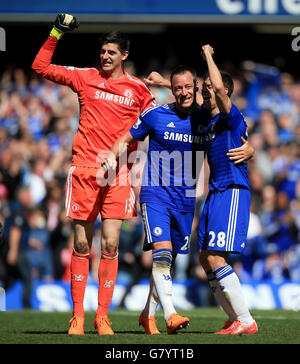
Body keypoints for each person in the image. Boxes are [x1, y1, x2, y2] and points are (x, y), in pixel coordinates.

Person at [102, 65, 254, 334]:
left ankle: (148, 315)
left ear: (195, 89)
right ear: (172, 91)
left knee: (169, 259)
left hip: (185, 199)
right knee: (162, 256)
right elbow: (125, 139)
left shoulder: (204, 119)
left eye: (189, 87)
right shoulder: (155, 115)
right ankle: (171, 315)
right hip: (155, 193)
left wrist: (250, 147)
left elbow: (222, 111)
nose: (184, 92)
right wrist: (107, 161)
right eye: (177, 88)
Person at [32, 14, 156, 335]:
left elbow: (156, 121)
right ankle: (77, 316)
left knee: (111, 245)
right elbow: (40, 67)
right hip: (86, 169)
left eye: (111, 52)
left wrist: (168, 84)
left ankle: (102, 316)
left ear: (124, 55)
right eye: (102, 51)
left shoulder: (138, 90)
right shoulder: (85, 77)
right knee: (82, 243)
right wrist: (57, 32)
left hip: (119, 174)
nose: (105, 57)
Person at [197, 45, 258, 334]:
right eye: (204, 86)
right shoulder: (209, 121)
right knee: (204, 257)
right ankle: (234, 317)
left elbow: (220, 90)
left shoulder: (231, 117)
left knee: (217, 258)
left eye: (209, 85)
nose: (206, 89)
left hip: (232, 190)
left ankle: (246, 320)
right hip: (216, 191)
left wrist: (209, 55)